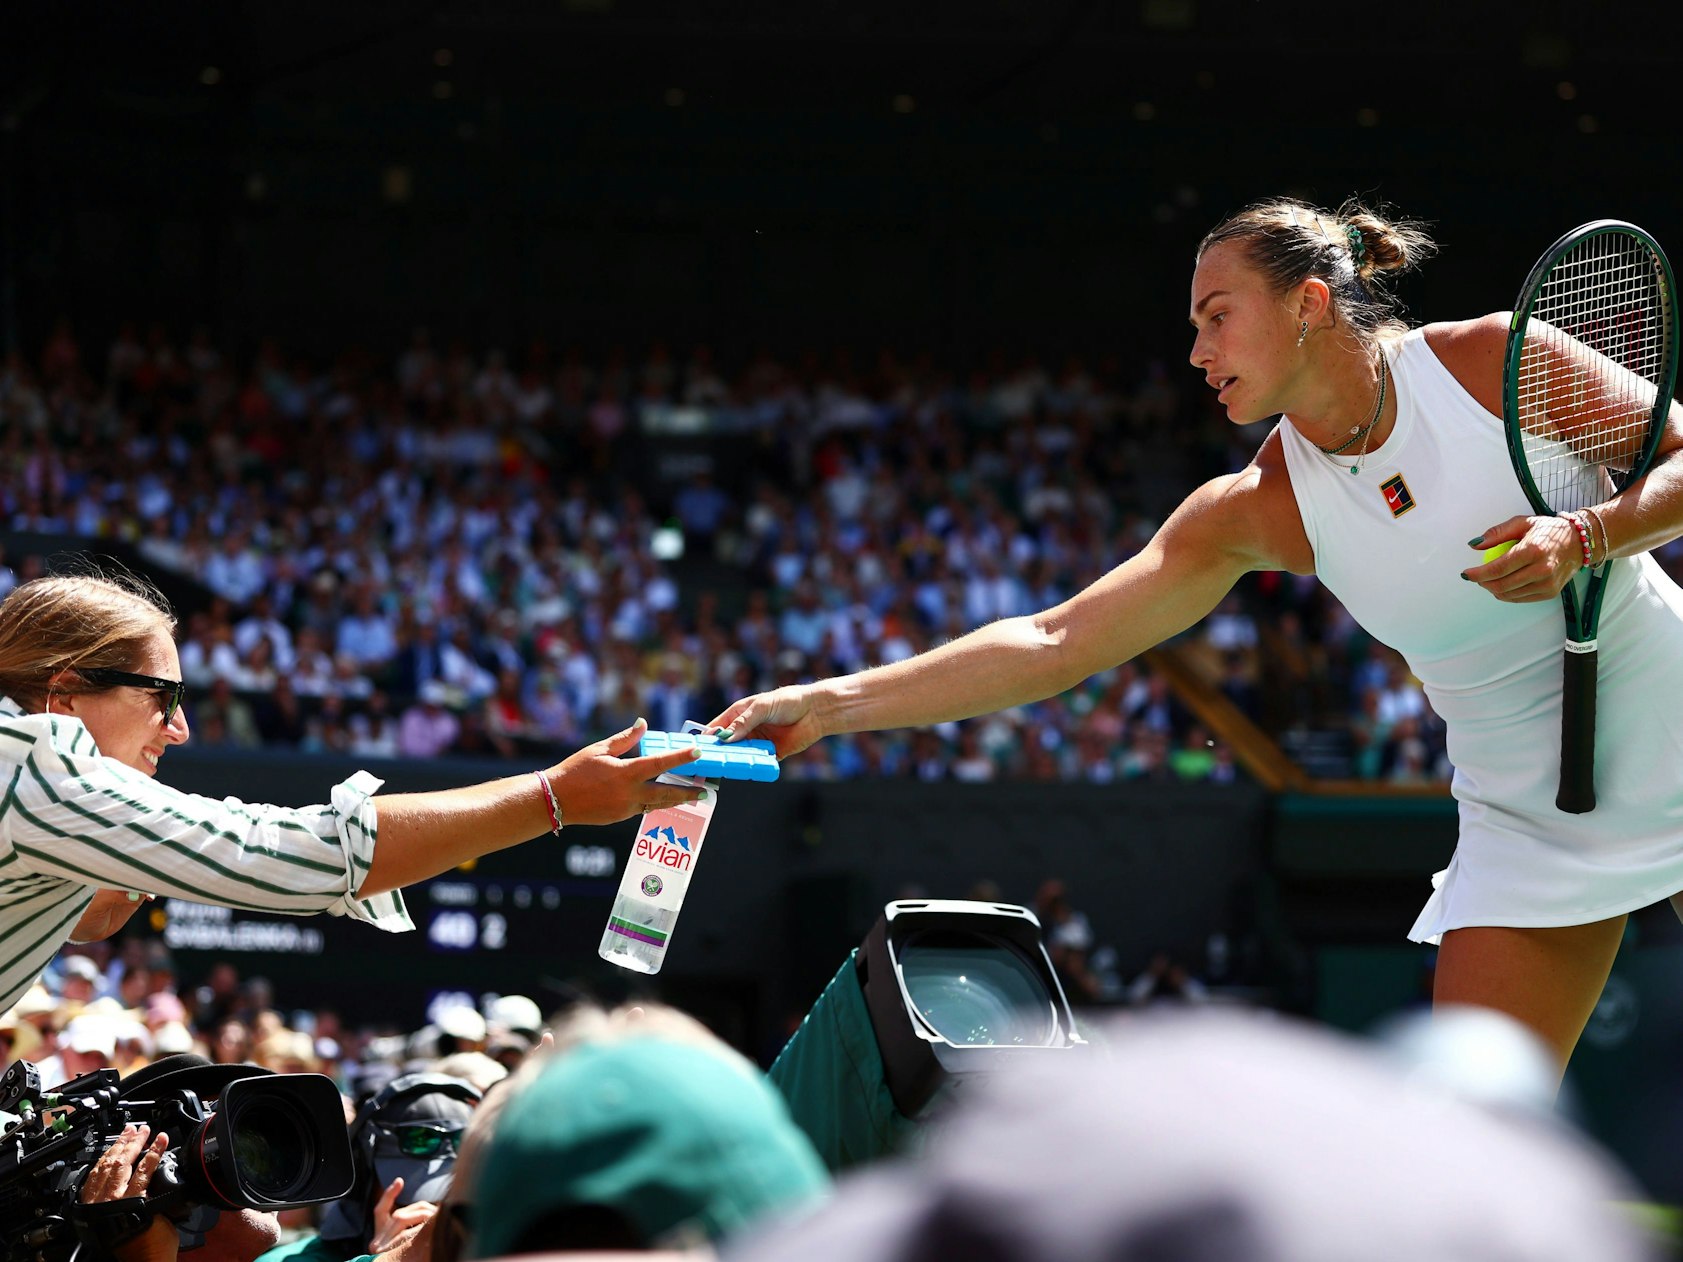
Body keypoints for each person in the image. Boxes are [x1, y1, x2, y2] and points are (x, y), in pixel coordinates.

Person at [711, 196, 1683, 1083]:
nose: (1196, 350)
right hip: (1526, 813)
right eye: (1194, 325)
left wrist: (1588, 534)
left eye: (1217, 314)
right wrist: (830, 703)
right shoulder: (1259, 509)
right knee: (1466, 1143)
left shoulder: (1490, 362)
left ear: (1308, 302)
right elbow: (1055, 639)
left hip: (1672, 719)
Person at [0, 568, 707, 1015]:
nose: (180, 728)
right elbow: (288, 856)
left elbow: (88, 919)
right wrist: (554, 797)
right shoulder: (37, 764)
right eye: (164, 696)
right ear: (64, 696)